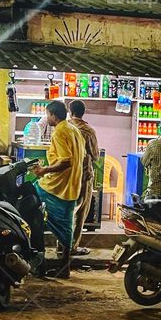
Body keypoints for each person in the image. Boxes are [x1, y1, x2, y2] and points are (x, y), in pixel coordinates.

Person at [30, 100, 84, 279]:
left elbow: (65, 160)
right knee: (66, 226)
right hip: (72, 185)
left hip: (57, 186)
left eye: (48, 115)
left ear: (53, 115)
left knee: (32, 201)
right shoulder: (73, 129)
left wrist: (44, 170)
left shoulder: (60, 131)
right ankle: (64, 267)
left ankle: (36, 254)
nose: (47, 118)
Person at [68, 100, 99, 256]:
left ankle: (63, 244)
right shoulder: (88, 130)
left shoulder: (64, 128)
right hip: (83, 175)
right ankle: (72, 246)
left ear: (70, 111)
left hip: (65, 175)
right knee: (80, 211)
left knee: (66, 210)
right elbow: (96, 155)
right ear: (83, 112)